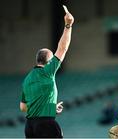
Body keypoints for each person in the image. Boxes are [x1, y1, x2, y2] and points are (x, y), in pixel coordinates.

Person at [19, 9, 74, 138]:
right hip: (46, 125)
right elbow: (62, 48)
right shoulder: (47, 72)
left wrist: (47, 107)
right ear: (49, 62)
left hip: (29, 126)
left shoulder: (27, 79)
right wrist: (68, 25)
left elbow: (23, 107)